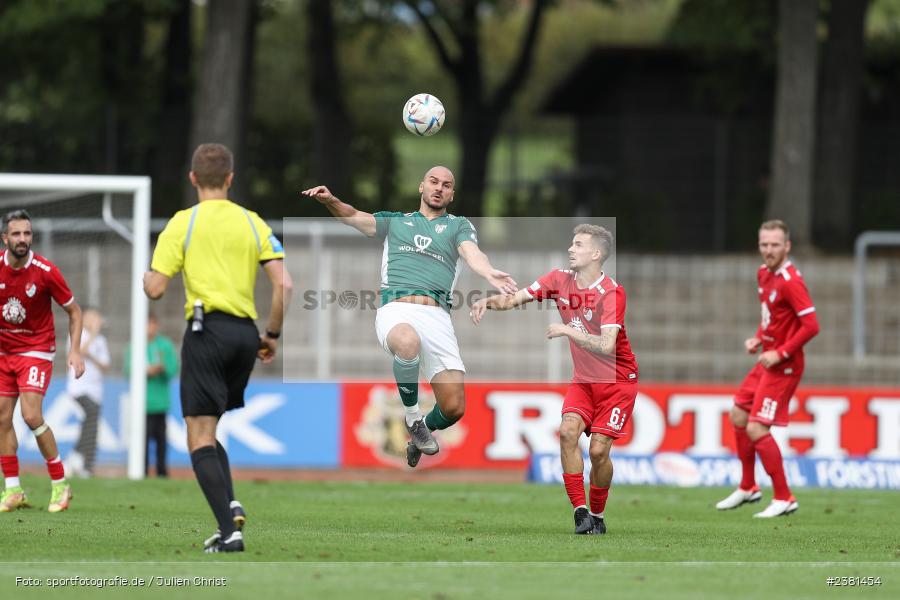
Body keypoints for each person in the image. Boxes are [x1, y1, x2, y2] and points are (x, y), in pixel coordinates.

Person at [302, 166, 517, 468]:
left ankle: (422, 431)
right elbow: (353, 216)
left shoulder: (458, 226)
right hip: (396, 309)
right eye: (433, 182)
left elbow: (472, 253)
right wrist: (330, 200)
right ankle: (414, 420)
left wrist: (488, 270)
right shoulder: (396, 222)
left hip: (437, 317)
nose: (439, 188)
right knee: (407, 341)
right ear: (421, 187)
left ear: (452, 194)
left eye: (446, 185)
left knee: (454, 407)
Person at [144, 143, 292, 552]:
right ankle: (230, 507)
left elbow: (155, 289)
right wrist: (272, 335)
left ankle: (230, 531)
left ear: (193, 178)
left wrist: (146, 277)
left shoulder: (183, 223)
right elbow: (284, 284)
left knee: (199, 435)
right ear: (230, 178)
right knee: (209, 429)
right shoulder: (252, 222)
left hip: (206, 331)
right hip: (245, 335)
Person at [470, 224, 638, 535]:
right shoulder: (558, 279)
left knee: (599, 451)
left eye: (578, 245)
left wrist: (567, 330)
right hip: (584, 381)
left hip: (617, 384)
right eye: (572, 244)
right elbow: (514, 299)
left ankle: (598, 515)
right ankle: (580, 513)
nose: (571, 249)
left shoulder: (613, 293)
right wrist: (487, 302)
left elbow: (607, 345)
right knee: (566, 432)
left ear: (596, 254)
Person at [716, 219, 819, 518]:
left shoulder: (790, 281)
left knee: (757, 426)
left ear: (787, 246)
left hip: (785, 365)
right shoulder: (764, 274)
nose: (769, 250)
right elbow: (772, 318)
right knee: (738, 413)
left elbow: (811, 325)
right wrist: (759, 339)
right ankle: (748, 486)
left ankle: (785, 497)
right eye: (764, 244)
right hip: (768, 359)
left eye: (775, 245)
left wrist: (781, 352)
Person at [0, 209, 85, 513]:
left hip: (35, 350)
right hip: (4, 353)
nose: (23, 239)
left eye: (27, 233)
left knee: (31, 415)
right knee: (1, 417)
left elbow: (75, 312)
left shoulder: (46, 271)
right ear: (5, 238)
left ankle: (60, 484)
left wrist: (75, 351)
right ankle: (12, 490)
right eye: (17, 234)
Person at [124, 312, 178, 478]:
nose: (150, 328)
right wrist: (145, 372)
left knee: (161, 441)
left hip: (160, 402)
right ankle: (143, 471)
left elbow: (174, 368)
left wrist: (162, 369)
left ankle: (162, 471)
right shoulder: (134, 345)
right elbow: (128, 370)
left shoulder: (165, 345)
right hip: (142, 404)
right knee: (143, 441)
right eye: (147, 324)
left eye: (152, 324)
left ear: (157, 325)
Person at [65, 307, 110, 478]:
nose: (96, 320)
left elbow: (105, 365)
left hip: (96, 390)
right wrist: (93, 334)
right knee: (91, 415)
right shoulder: (78, 334)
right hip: (78, 388)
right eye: (93, 316)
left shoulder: (101, 341)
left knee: (90, 425)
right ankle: (78, 459)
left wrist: (94, 356)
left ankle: (85, 465)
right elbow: (80, 351)